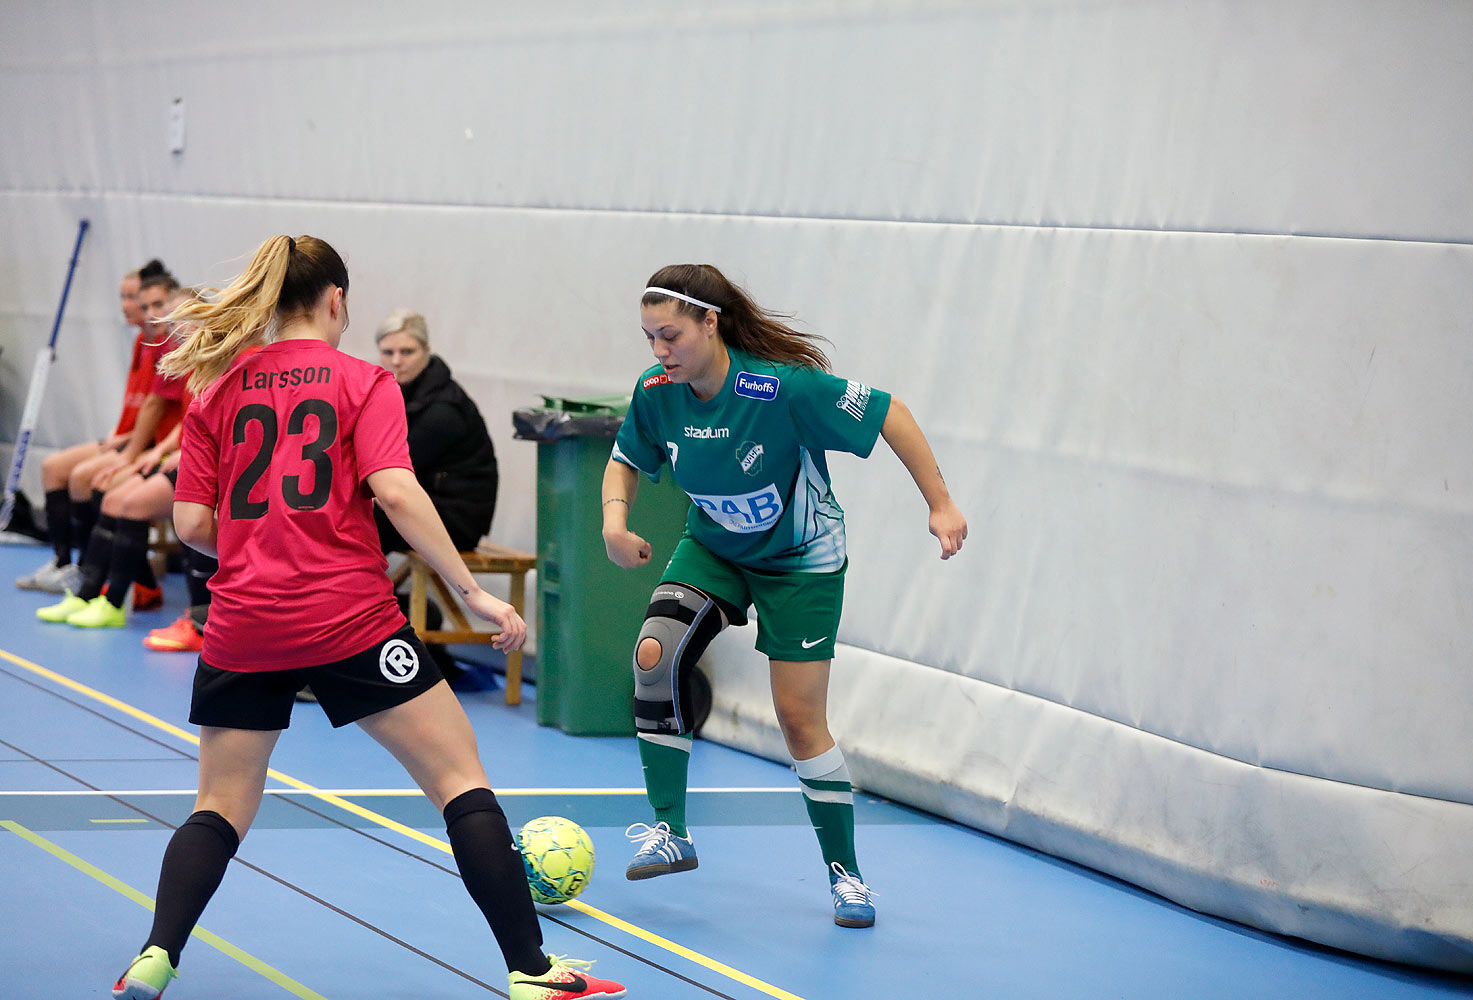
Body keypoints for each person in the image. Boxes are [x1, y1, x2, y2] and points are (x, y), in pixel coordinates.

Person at [109, 235, 625, 1000]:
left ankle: (154, 956)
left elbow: (189, 523)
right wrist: (472, 591)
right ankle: (532, 970)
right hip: (349, 619)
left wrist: (259, 547)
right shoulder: (364, 383)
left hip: (243, 623)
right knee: (459, 780)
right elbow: (397, 492)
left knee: (218, 806)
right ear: (336, 301)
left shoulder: (217, 388)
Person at [602, 264, 967, 929]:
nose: (659, 351)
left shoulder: (783, 389)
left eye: (671, 335)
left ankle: (846, 875)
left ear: (711, 323)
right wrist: (614, 521)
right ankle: (670, 829)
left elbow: (892, 414)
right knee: (655, 654)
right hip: (714, 547)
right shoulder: (658, 391)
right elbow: (628, 455)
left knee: (800, 720)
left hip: (802, 558)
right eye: (650, 337)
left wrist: (940, 504)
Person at [16, 260, 170, 593]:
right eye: (127, 299)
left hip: (144, 445)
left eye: (137, 299)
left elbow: (159, 411)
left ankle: (98, 572)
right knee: (52, 466)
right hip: (129, 439)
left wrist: (129, 449)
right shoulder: (142, 344)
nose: (130, 307)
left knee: (85, 478)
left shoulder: (167, 346)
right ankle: (65, 563)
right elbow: (142, 406)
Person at [372, 310, 500, 684]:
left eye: (407, 351)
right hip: (434, 504)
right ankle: (399, 620)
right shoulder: (404, 392)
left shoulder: (443, 407)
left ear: (426, 350)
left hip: (458, 518)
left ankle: (368, 623)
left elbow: (391, 469)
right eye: (388, 351)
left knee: (354, 526)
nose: (397, 361)